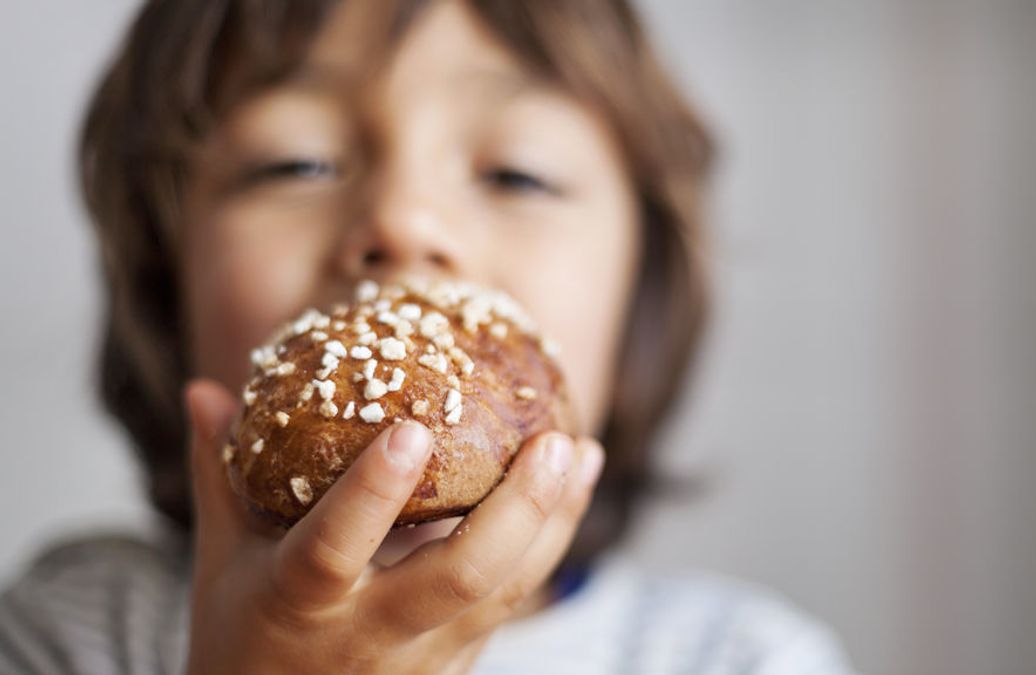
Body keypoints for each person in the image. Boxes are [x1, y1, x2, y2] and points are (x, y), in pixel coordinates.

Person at [0, 1, 856, 672]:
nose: (405, 224)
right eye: (296, 162)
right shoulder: (68, 635)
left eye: (517, 172)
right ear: (163, 279)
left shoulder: (744, 658)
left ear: (640, 300)